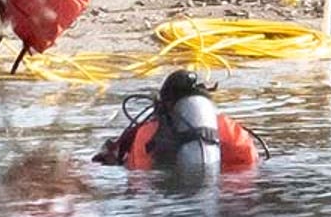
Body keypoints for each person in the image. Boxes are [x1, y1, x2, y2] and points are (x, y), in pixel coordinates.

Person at [93, 70, 262, 183]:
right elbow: (249, 165)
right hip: (217, 193)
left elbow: (139, 178)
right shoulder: (227, 126)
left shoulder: (147, 132)